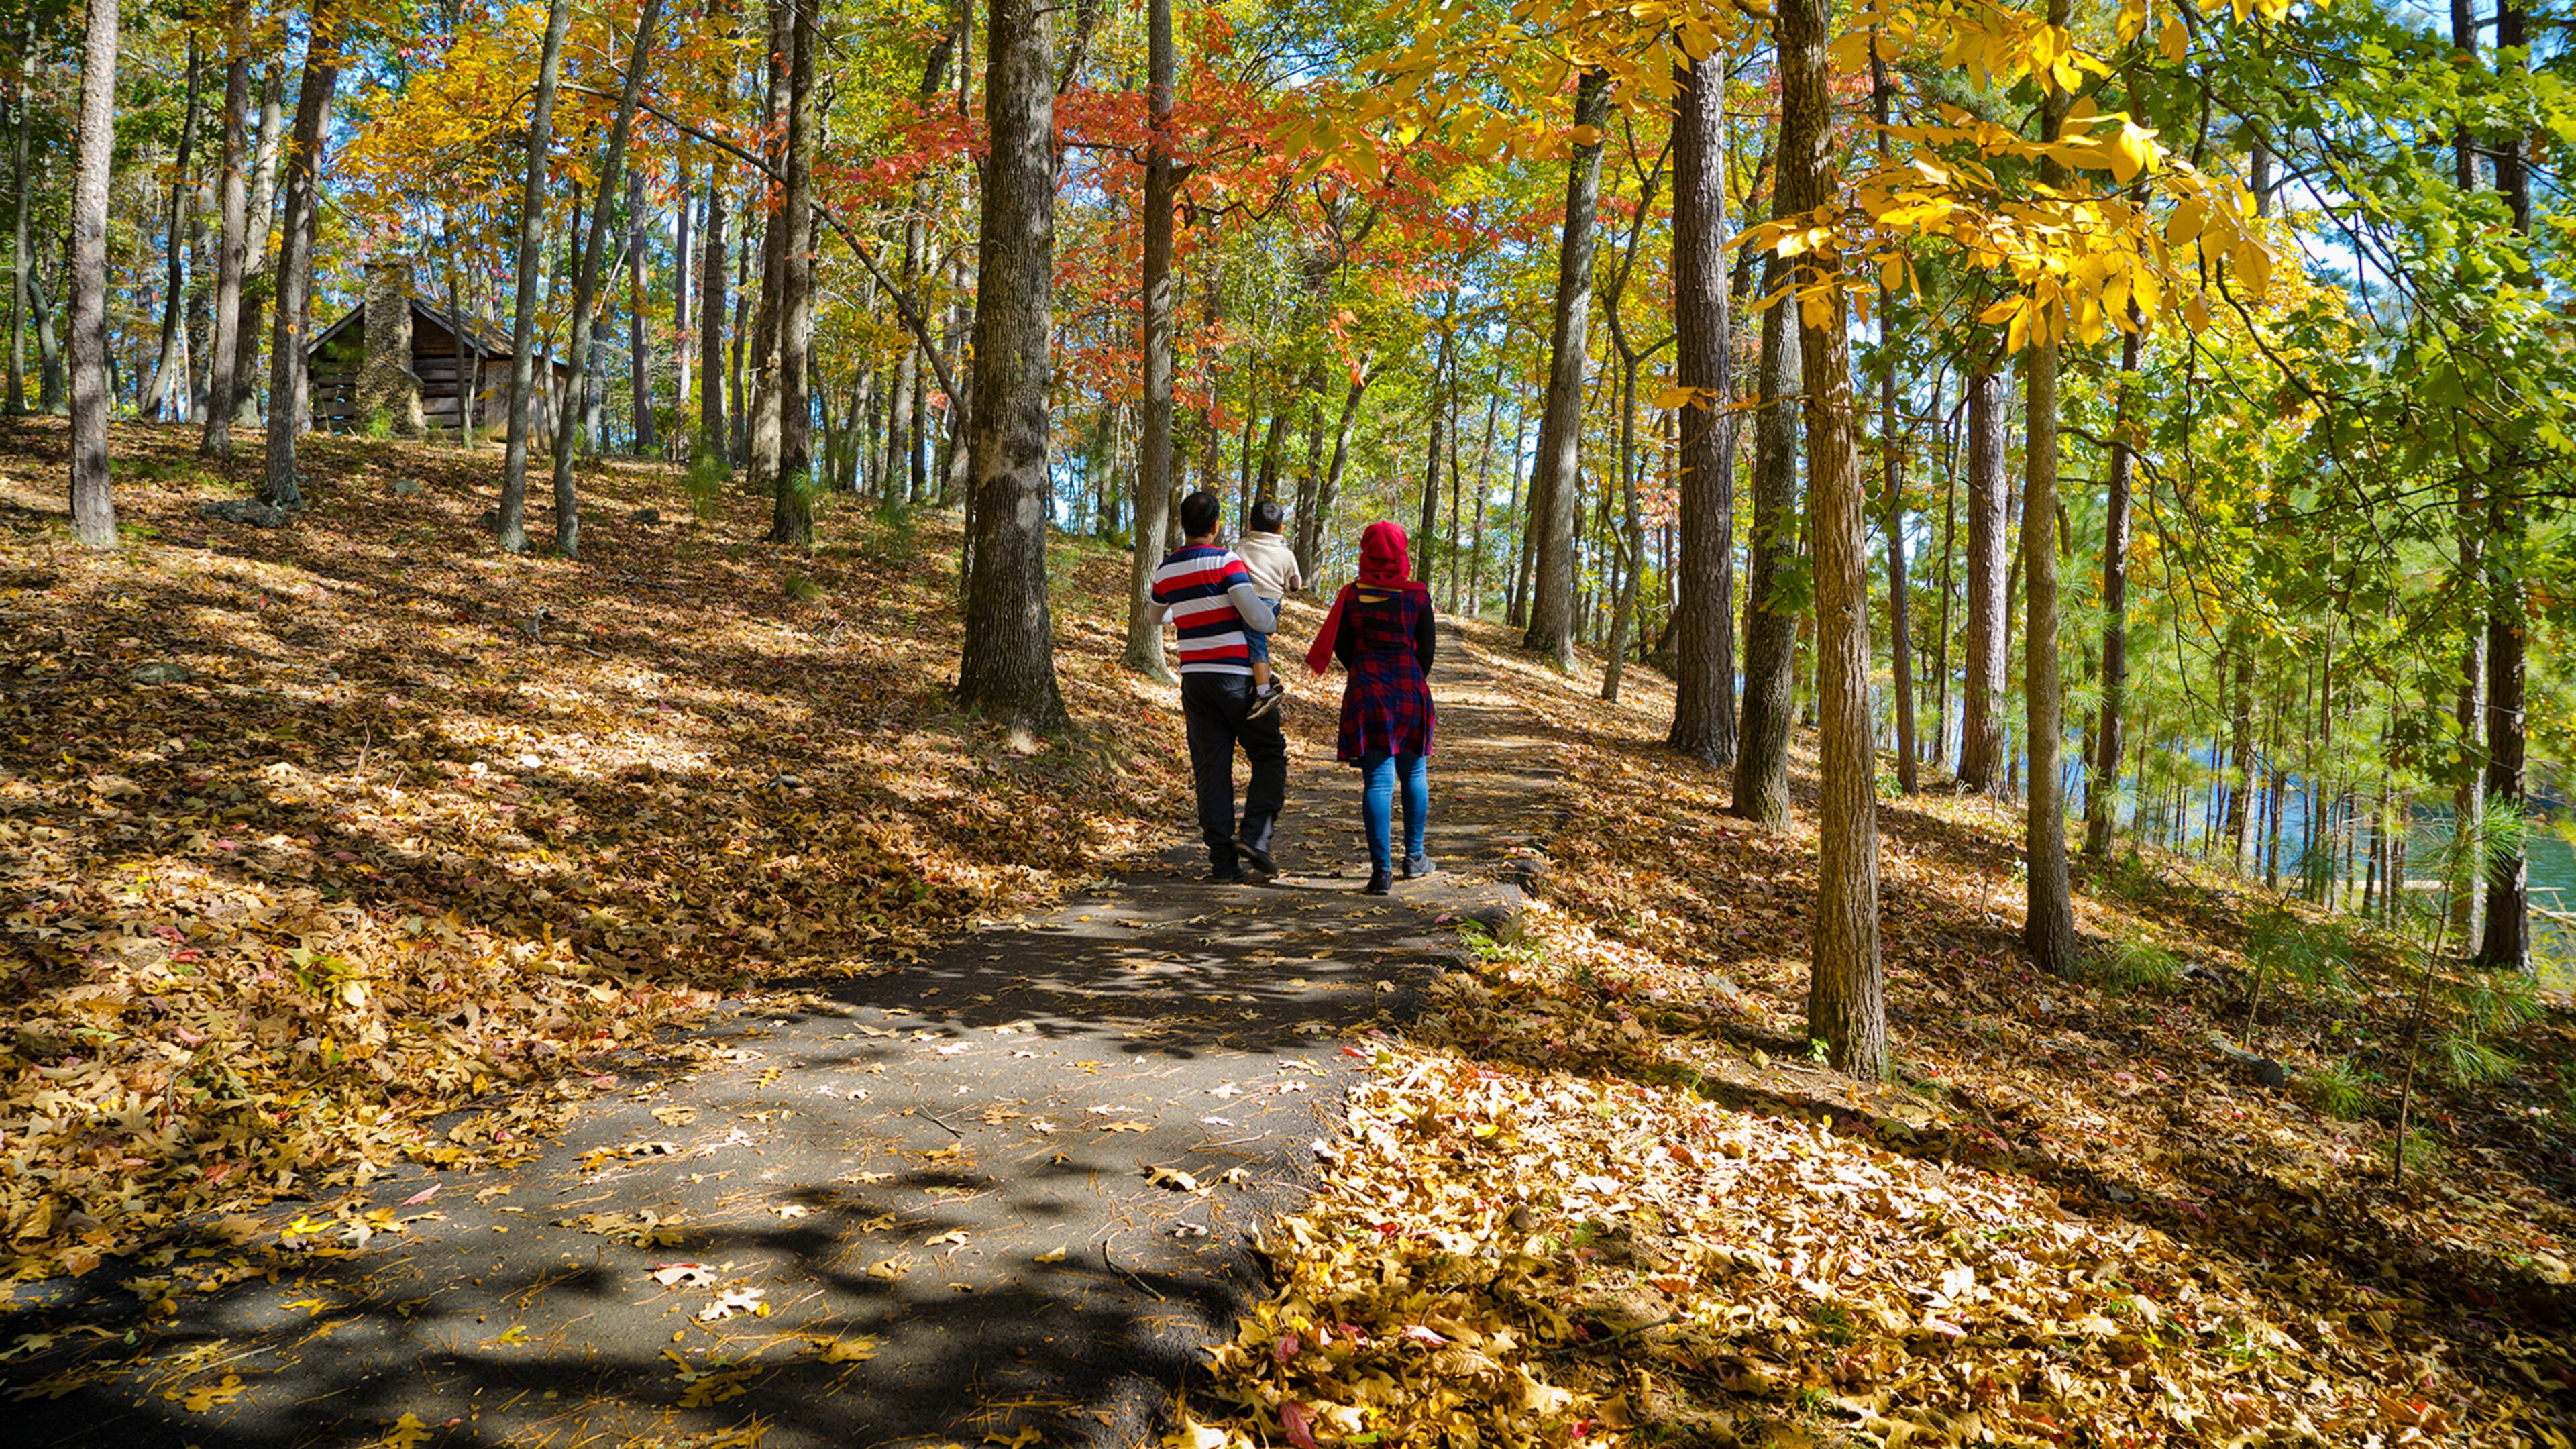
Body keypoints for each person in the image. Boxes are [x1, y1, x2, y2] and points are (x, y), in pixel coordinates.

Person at [1148, 490, 1286, 882]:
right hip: (1237, 678)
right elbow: (1257, 617)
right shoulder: (1226, 561)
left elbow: (1156, 617)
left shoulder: (1166, 569)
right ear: (1215, 525)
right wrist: (1270, 620)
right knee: (1269, 752)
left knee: (1211, 768)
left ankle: (1223, 866)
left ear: (1183, 524)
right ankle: (1256, 837)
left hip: (1195, 679)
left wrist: (1193, 609)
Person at [1305, 519, 1436, 896]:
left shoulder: (1351, 595)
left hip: (1367, 691)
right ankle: (1415, 858)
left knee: (1378, 780)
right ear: (1402, 553)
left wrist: (1368, 671)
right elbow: (1426, 653)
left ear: (1366, 552)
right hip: (1410, 690)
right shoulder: (1417, 596)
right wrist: (1407, 674)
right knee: (1414, 774)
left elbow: (1343, 648)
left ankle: (1381, 873)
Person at [1232, 498, 1305, 719]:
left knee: (1254, 642)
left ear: (1251, 526)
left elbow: (1232, 571)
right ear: (1281, 529)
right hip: (1272, 605)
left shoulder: (1242, 546)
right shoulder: (1286, 554)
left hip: (1247, 600)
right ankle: (1266, 675)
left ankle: (1265, 691)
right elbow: (1295, 584)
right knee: (1251, 639)